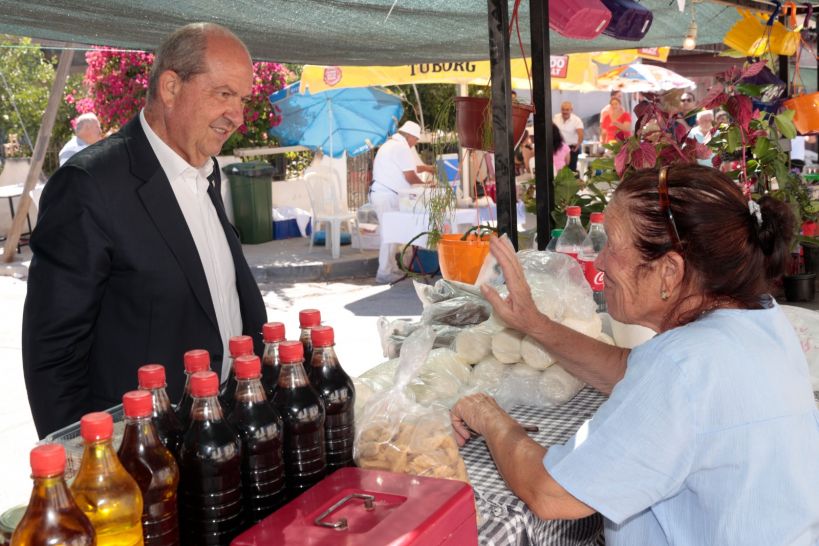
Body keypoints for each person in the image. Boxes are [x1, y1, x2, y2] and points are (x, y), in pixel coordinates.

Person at [451, 164, 819, 544]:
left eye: (611, 244)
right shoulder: (758, 319)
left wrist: (490, 416)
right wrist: (535, 323)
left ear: (669, 273)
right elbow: (633, 370)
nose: (599, 261)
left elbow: (551, 493)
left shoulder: (684, 366)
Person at [23, 23, 268, 438]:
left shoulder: (206, 174)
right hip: (142, 455)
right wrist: (85, 467)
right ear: (171, 87)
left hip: (220, 434)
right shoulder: (90, 184)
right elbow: (53, 352)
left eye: (242, 99)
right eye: (224, 94)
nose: (238, 115)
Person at [368, 120, 434, 284]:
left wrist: (426, 169)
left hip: (382, 194)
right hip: (386, 195)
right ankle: (384, 272)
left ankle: (391, 269)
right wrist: (427, 186)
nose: (415, 144)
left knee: (392, 232)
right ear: (410, 136)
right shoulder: (402, 147)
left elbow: (409, 168)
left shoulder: (391, 145)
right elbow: (410, 176)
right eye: (416, 140)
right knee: (390, 234)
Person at [552, 101, 584, 171]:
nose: (565, 111)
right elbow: (551, 130)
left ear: (571, 110)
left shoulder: (577, 120)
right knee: (556, 168)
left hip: (571, 148)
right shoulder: (555, 118)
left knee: (571, 170)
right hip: (558, 147)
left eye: (567, 110)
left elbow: (581, 135)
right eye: (563, 109)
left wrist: (578, 145)